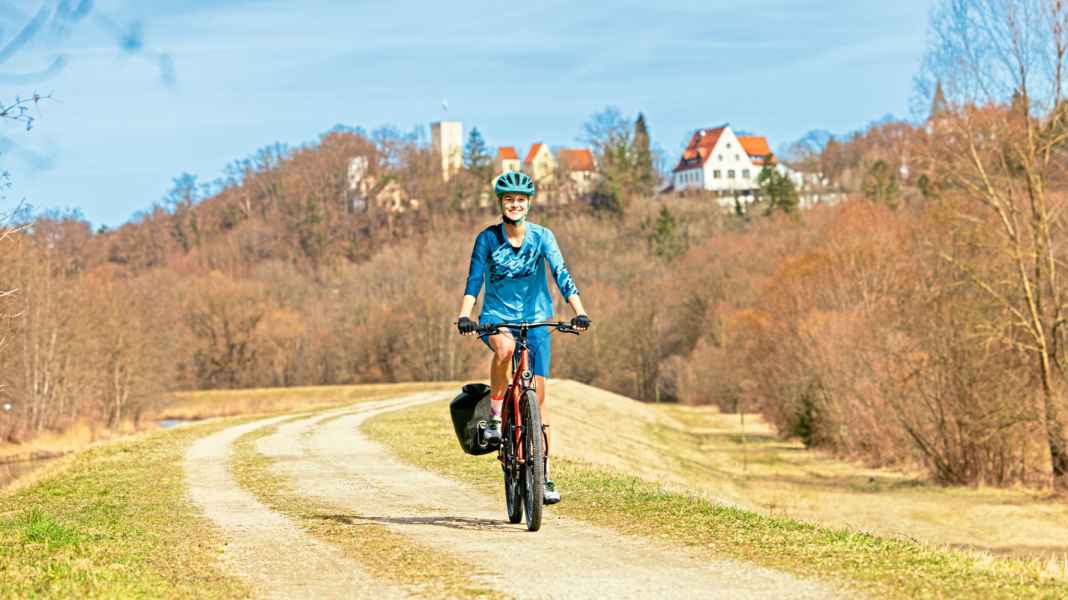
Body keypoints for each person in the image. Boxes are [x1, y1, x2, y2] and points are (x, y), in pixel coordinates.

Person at [456, 170, 590, 505]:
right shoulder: (487, 239)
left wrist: (580, 310)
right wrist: (465, 314)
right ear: (501, 203)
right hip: (497, 318)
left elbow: (562, 274)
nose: (515, 205)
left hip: (537, 320)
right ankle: (497, 418)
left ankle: (542, 476)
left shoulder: (543, 236)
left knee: (539, 400)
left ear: (528, 203)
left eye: (520, 200)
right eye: (509, 200)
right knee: (505, 347)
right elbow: (474, 280)